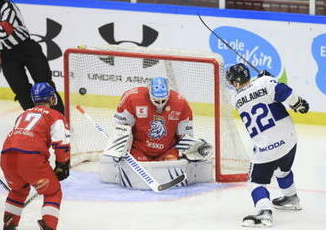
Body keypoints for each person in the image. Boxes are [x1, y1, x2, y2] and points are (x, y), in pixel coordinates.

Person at [226, 63, 309, 227]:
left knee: (255, 183)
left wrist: (263, 79)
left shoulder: (235, 100)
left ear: (235, 83)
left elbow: (251, 92)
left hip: (267, 148)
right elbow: (285, 92)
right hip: (289, 140)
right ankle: (291, 198)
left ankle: (264, 212)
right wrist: (298, 103)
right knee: (282, 170)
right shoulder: (266, 82)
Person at [99, 77, 212, 190]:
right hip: (139, 149)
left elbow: (185, 135)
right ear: (149, 93)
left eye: (163, 100)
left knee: (172, 167)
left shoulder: (181, 103)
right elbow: (121, 127)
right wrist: (120, 147)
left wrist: (190, 152)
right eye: (156, 101)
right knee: (133, 170)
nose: (160, 104)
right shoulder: (133, 98)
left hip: (167, 150)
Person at [0, 82, 70, 230]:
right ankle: (49, 226)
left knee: (18, 191)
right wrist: (62, 165)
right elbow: (61, 143)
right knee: (53, 191)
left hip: (6, 158)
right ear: (51, 98)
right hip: (30, 158)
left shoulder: (23, 114)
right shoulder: (55, 115)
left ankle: (9, 225)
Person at [0, 0, 64, 114]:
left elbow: (4, 32)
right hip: (7, 56)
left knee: (45, 84)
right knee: (20, 90)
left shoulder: (8, 6)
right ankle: (35, 121)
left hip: (27, 49)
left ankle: (60, 119)